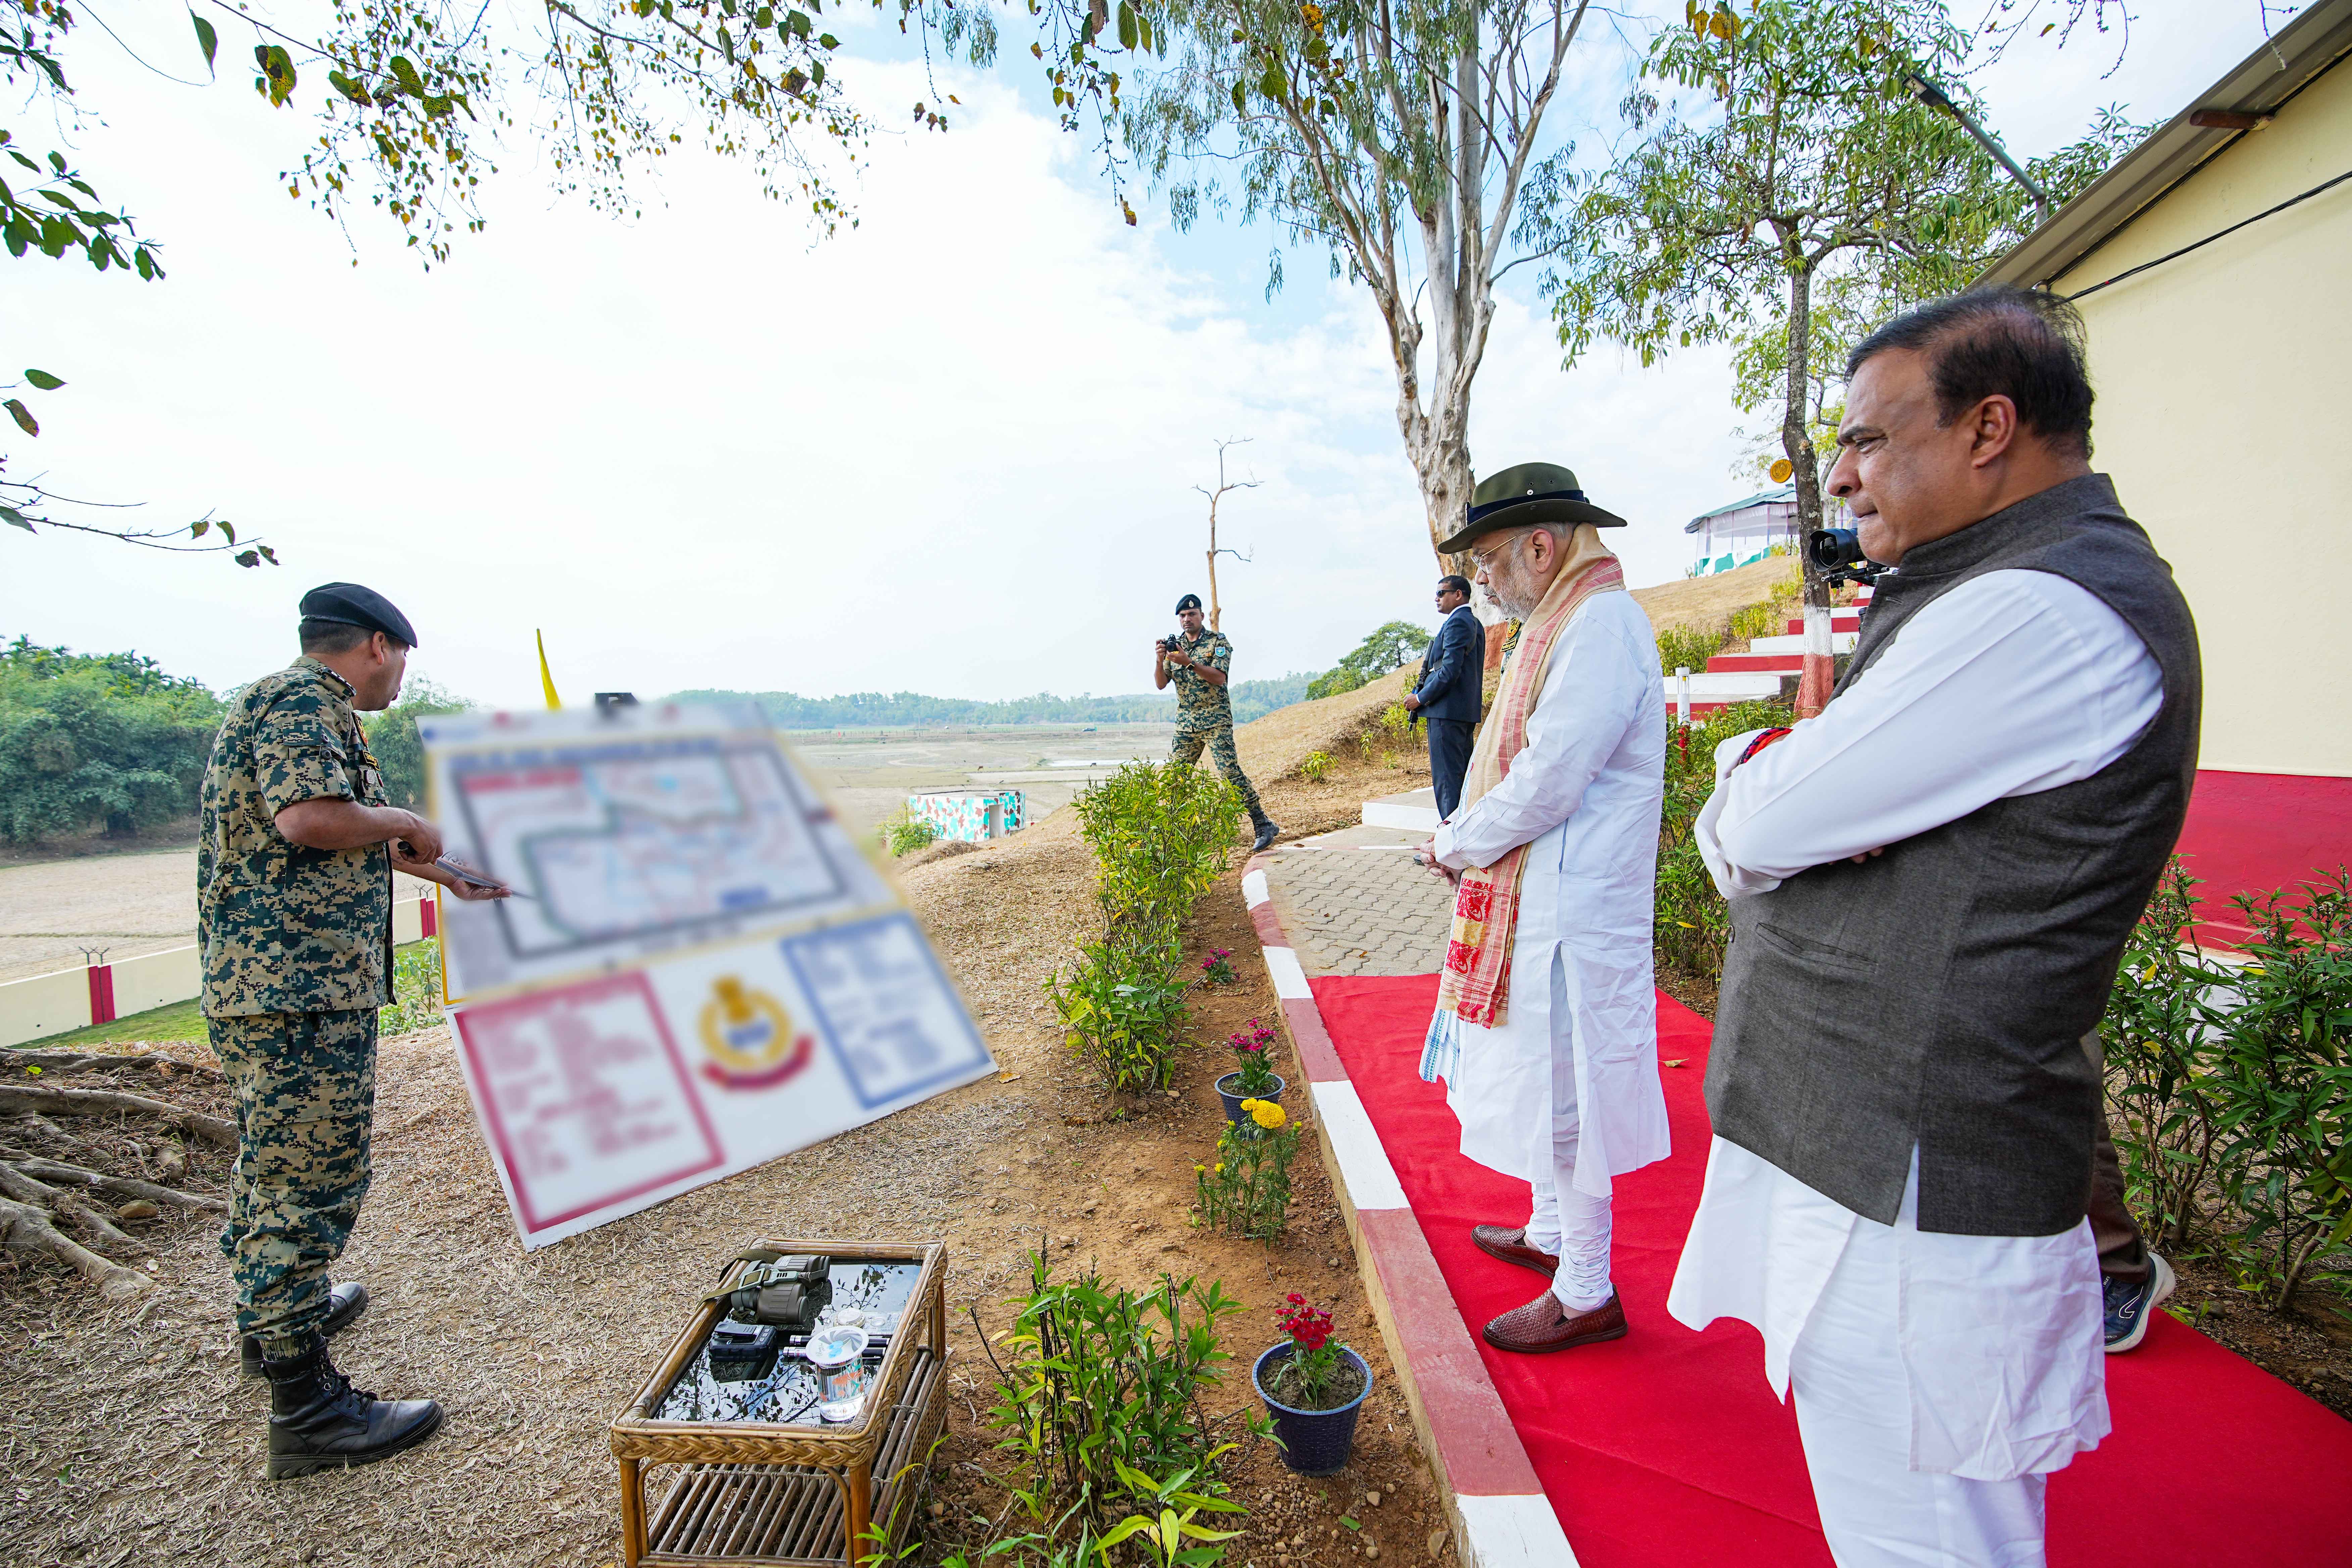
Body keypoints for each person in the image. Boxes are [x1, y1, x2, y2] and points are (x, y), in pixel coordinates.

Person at [1670, 286, 2200, 1566]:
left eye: (1866, 436)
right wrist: (1794, 777)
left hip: (1914, 1191)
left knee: (1924, 1539)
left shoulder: (2031, 610)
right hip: (1878, 1164)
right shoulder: (1997, 588)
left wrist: (1757, 768)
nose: (1843, 475)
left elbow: (1753, 827)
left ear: (1989, 428)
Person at [200, 583, 509, 1480]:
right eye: (403, 660)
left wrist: (443, 871)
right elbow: (310, 819)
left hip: (283, 986)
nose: (401, 678)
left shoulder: (296, 704)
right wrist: (410, 820)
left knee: (278, 1164)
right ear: (377, 645)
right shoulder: (304, 703)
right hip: (296, 991)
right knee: (306, 1177)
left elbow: (324, 835)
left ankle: (277, 1319)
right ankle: (307, 1408)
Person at [1413, 461, 1669, 1354]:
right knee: (1547, 1082)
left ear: (1540, 545)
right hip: (1544, 902)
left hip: (1574, 911)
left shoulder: (1599, 626)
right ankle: (1552, 1235)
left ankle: (1589, 1288)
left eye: (1488, 560)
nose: (1480, 579)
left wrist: (1455, 842)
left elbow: (1551, 779)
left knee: (1572, 1098)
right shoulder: (1562, 620)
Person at [1155, 593, 1280, 853]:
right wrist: (1160, 659)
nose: (1187, 620)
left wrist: (1189, 663)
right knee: (1177, 779)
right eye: (1182, 616)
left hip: (1215, 720)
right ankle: (1178, 833)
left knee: (1230, 773)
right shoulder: (1174, 647)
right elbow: (1160, 683)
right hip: (1186, 724)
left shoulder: (1217, 643)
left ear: (1202, 616)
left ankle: (1263, 824)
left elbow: (1219, 678)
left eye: (1192, 614)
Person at [1404, 574, 1484, 820]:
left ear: (1458, 595)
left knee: (1448, 781)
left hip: (1446, 713)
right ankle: (1459, 839)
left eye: (1441, 593)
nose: (1436, 599)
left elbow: (1449, 672)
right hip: (1460, 713)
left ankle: (1449, 846)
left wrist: (1420, 698)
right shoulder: (1474, 623)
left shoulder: (1457, 622)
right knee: (1460, 780)